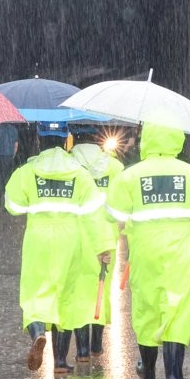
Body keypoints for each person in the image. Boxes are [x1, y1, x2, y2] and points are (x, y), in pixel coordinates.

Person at [106, 122, 190, 379]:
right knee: (177, 310)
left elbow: (112, 214)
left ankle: (148, 372)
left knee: (147, 311)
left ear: (146, 140)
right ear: (177, 139)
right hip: (181, 253)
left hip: (144, 252)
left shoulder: (131, 176)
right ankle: (174, 376)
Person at [4, 130, 109, 375]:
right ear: (66, 142)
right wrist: (102, 246)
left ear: (39, 140)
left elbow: (13, 206)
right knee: (65, 297)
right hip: (70, 237)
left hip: (38, 237)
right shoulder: (79, 173)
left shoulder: (28, 171)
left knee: (34, 294)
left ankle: (38, 333)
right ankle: (60, 362)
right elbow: (94, 211)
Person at [71, 134, 126, 355]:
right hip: (106, 234)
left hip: (75, 233)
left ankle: (82, 349)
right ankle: (97, 344)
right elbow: (122, 202)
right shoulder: (114, 167)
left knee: (77, 290)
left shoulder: (69, 166)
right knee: (102, 287)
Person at [0, 123, 19, 211]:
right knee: (8, 181)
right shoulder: (14, 129)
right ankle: (8, 205)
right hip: (9, 157)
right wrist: (12, 155)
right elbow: (16, 145)